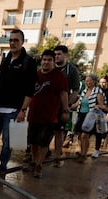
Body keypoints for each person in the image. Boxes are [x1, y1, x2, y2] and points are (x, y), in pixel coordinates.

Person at [0, 29, 37, 172]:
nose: (12, 43)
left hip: (13, 110)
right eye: (10, 40)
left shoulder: (28, 62)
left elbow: (30, 90)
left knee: (7, 142)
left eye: (16, 40)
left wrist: (23, 110)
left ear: (22, 42)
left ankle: (2, 167)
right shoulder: (5, 60)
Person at [27, 50, 68, 178]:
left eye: (49, 60)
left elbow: (63, 94)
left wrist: (65, 110)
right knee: (33, 142)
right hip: (34, 114)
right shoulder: (36, 75)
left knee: (44, 143)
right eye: (44, 59)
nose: (46, 62)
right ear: (41, 60)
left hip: (50, 116)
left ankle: (39, 165)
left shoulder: (59, 76)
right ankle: (34, 161)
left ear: (53, 61)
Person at [53, 45, 80, 166]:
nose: (56, 56)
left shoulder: (71, 70)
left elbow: (75, 91)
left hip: (61, 107)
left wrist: (67, 105)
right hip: (47, 105)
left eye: (59, 54)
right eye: (55, 54)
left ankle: (57, 156)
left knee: (59, 132)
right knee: (44, 130)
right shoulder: (50, 66)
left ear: (65, 55)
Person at [71, 73, 107, 162]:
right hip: (81, 115)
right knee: (80, 135)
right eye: (86, 81)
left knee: (84, 135)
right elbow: (78, 103)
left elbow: (103, 106)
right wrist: (69, 106)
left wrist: (98, 106)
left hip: (90, 116)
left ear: (94, 82)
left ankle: (84, 155)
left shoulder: (98, 91)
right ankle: (81, 152)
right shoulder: (84, 91)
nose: (87, 83)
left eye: (89, 81)